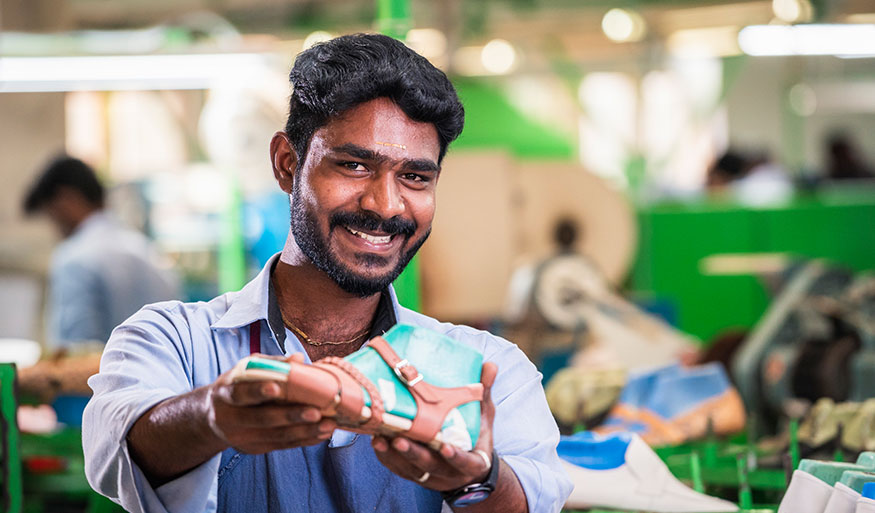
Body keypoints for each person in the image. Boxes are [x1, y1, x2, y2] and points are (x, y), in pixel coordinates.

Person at [82, 33, 571, 513]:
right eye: (355, 165)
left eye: (414, 177)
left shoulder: (486, 371)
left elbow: (534, 499)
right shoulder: (176, 341)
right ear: (286, 164)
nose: (386, 205)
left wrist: (474, 479)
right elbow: (114, 451)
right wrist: (215, 415)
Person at [22, 156, 179, 348]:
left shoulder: (75, 260)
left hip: (104, 367)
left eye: (51, 215)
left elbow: (74, 352)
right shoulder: (148, 252)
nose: (54, 228)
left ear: (67, 200)